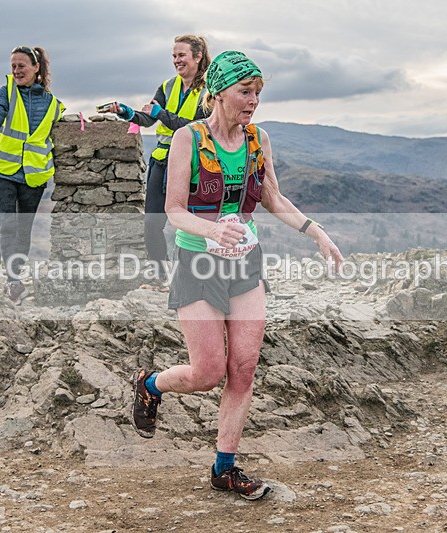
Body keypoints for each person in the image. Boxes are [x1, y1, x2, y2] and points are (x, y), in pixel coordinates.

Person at [131, 51, 344, 500]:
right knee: (208, 372)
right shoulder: (189, 138)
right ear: (219, 92)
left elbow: (272, 198)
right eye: (245, 92)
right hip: (197, 263)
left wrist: (316, 232)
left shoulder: (257, 139)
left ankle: (224, 469)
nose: (253, 101)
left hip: (246, 263)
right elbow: (174, 210)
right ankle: (150, 384)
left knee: (243, 368)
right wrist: (212, 230)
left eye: (257, 93)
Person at [100, 35, 211, 278]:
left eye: (181, 55)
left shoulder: (209, 90)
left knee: (192, 224)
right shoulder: (168, 86)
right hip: (161, 161)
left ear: (198, 56)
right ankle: (161, 274)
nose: (176, 60)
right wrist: (126, 112)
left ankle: (195, 274)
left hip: (193, 163)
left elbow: (196, 127)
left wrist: (162, 114)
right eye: (174, 56)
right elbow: (149, 117)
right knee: (152, 223)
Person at [0, 45, 65, 304]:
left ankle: (16, 275)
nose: (16, 71)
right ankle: (13, 281)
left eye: (21, 66)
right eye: (13, 66)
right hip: (3, 172)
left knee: (23, 230)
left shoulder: (53, 104)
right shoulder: (6, 91)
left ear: (36, 67)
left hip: (34, 176)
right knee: (7, 226)